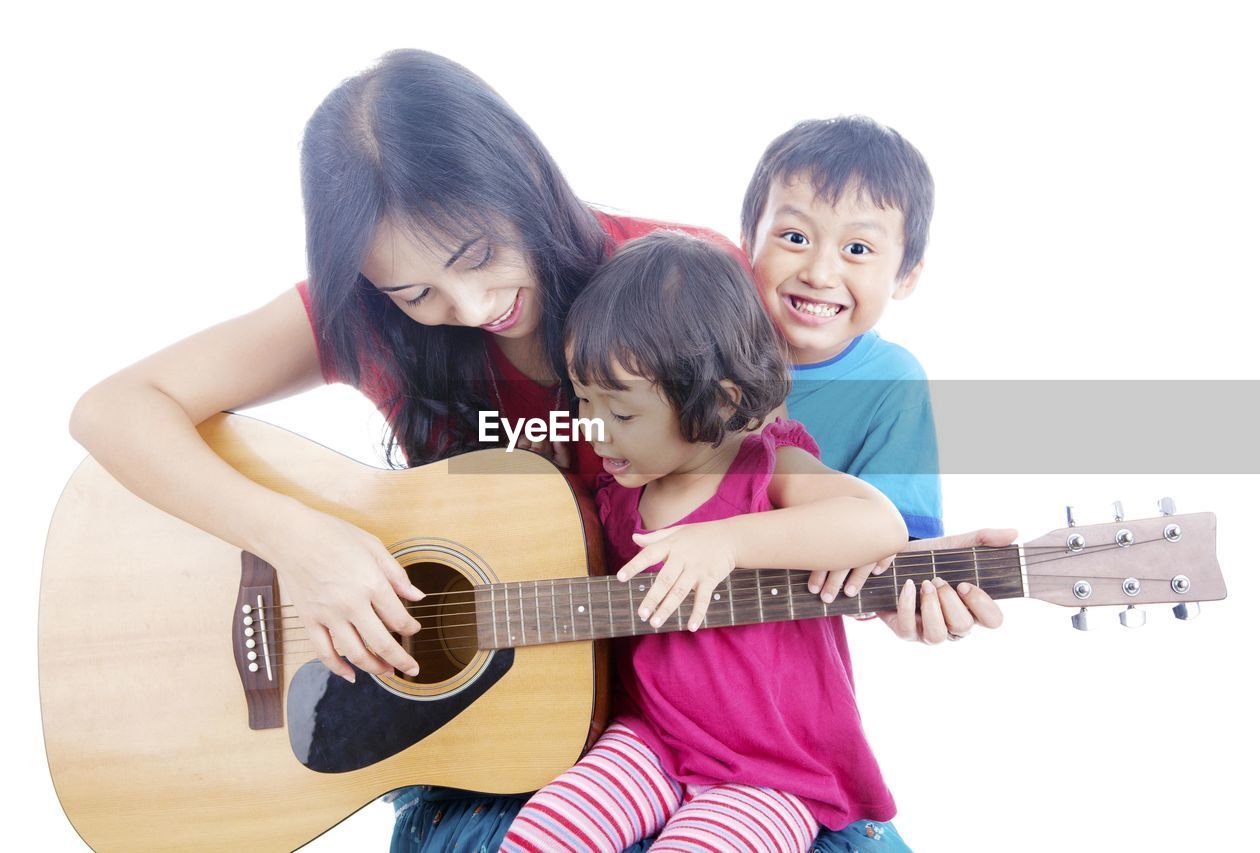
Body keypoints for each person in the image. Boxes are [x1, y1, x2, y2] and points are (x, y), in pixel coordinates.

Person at [67, 49, 1003, 850]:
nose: (466, 309)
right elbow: (114, 410)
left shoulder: (670, 284)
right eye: (414, 292)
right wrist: (302, 545)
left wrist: (912, 580)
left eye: (476, 258)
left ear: (521, 177)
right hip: (499, 738)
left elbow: (791, 505)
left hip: (726, 740)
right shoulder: (365, 319)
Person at [501, 232, 991, 852]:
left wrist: (728, 542)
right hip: (651, 738)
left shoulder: (767, 468)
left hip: (771, 772)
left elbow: (877, 523)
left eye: (621, 414)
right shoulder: (621, 488)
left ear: (719, 399)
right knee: (544, 833)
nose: (595, 429)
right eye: (583, 401)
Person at [741, 117, 949, 625]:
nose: (818, 272)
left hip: (774, 660)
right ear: (748, 238)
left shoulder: (891, 385)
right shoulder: (692, 338)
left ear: (906, 276)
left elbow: (895, 568)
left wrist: (916, 612)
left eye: (857, 249)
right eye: (794, 236)